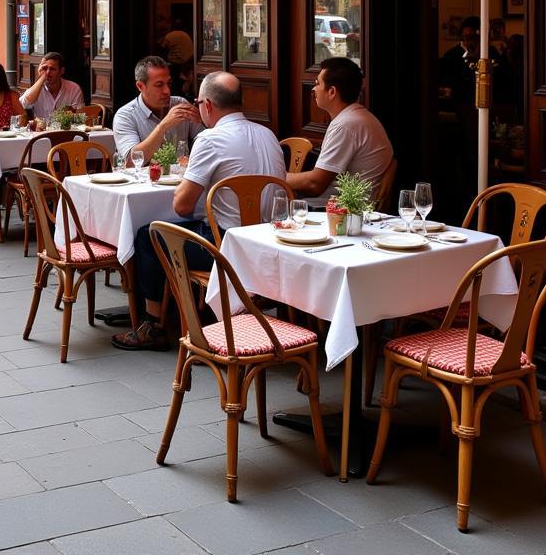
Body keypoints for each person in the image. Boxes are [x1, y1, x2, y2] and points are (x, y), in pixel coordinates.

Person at [113, 71, 286, 351]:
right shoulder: (268, 134)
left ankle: (154, 324)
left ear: (206, 105)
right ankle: (200, 306)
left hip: (226, 246)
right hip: (268, 240)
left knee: (149, 235)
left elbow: (181, 206)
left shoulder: (211, 139)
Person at [286, 57, 393, 203]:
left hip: (339, 213)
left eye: (317, 83)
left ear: (331, 92)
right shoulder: (359, 117)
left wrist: (276, 176)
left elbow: (315, 184)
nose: (313, 88)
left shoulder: (346, 125)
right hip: (344, 208)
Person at [112, 55, 202, 164]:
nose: (167, 91)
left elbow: (206, 141)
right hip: (142, 180)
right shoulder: (125, 115)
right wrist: (163, 127)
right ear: (140, 86)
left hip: (180, 178)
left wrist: (204, 121)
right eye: (159, 85)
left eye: (169, 83)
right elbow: (130, 162)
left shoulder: (180, 105)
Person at [19, 52, 85, 121]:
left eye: (52, 69)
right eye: (45, 68)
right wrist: (42, 77)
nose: (47, 72)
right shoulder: (36, 89)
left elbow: (80, 116)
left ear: (62, 71)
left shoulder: (74, 89)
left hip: (66, 130)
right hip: (41, 131)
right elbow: (24, 104)